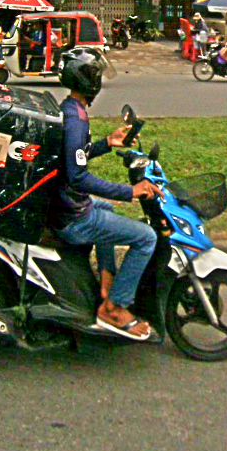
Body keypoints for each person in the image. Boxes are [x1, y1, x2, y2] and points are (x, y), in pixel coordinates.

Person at [50, 51, 162, 341]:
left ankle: (107, 279)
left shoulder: (71, 109)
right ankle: (113, 308)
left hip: (66, 203)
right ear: (89, 82)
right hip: (73, 217)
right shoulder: (76, 119)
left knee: (107, 211)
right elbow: (78, 176)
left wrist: (107, 143)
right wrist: (130, 191)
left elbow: (74, 157)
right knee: (146, 238)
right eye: (96, 75)